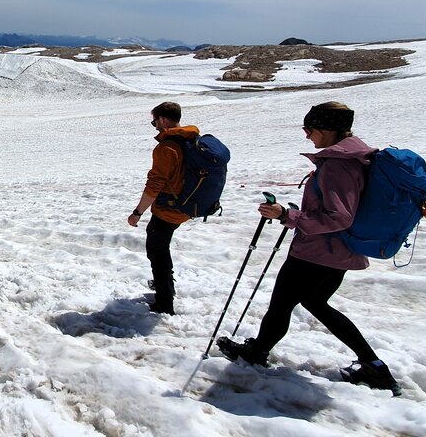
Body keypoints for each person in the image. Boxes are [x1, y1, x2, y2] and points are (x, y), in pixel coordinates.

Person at [216, 102, 402, 396]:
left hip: (317, 251)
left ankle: (258, 352)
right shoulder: (353, 159)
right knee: (315, 303)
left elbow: (339, 216)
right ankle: (373, 365)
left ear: (325, 130)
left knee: (283, 303)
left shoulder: (338, 165)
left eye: (309, 130)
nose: (307, 136)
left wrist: (286, 216)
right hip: (337, 251)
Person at [127, 101, 200, 315]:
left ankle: (164, 301)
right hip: (184, 205)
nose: (155, 126)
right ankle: (165, 286)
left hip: (169, 208)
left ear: (164, 119)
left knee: (156, 250)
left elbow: (155, 185)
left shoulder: (167, 148)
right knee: (160, 247)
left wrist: (137, 212)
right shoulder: (189, 140)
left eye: (154, 122)